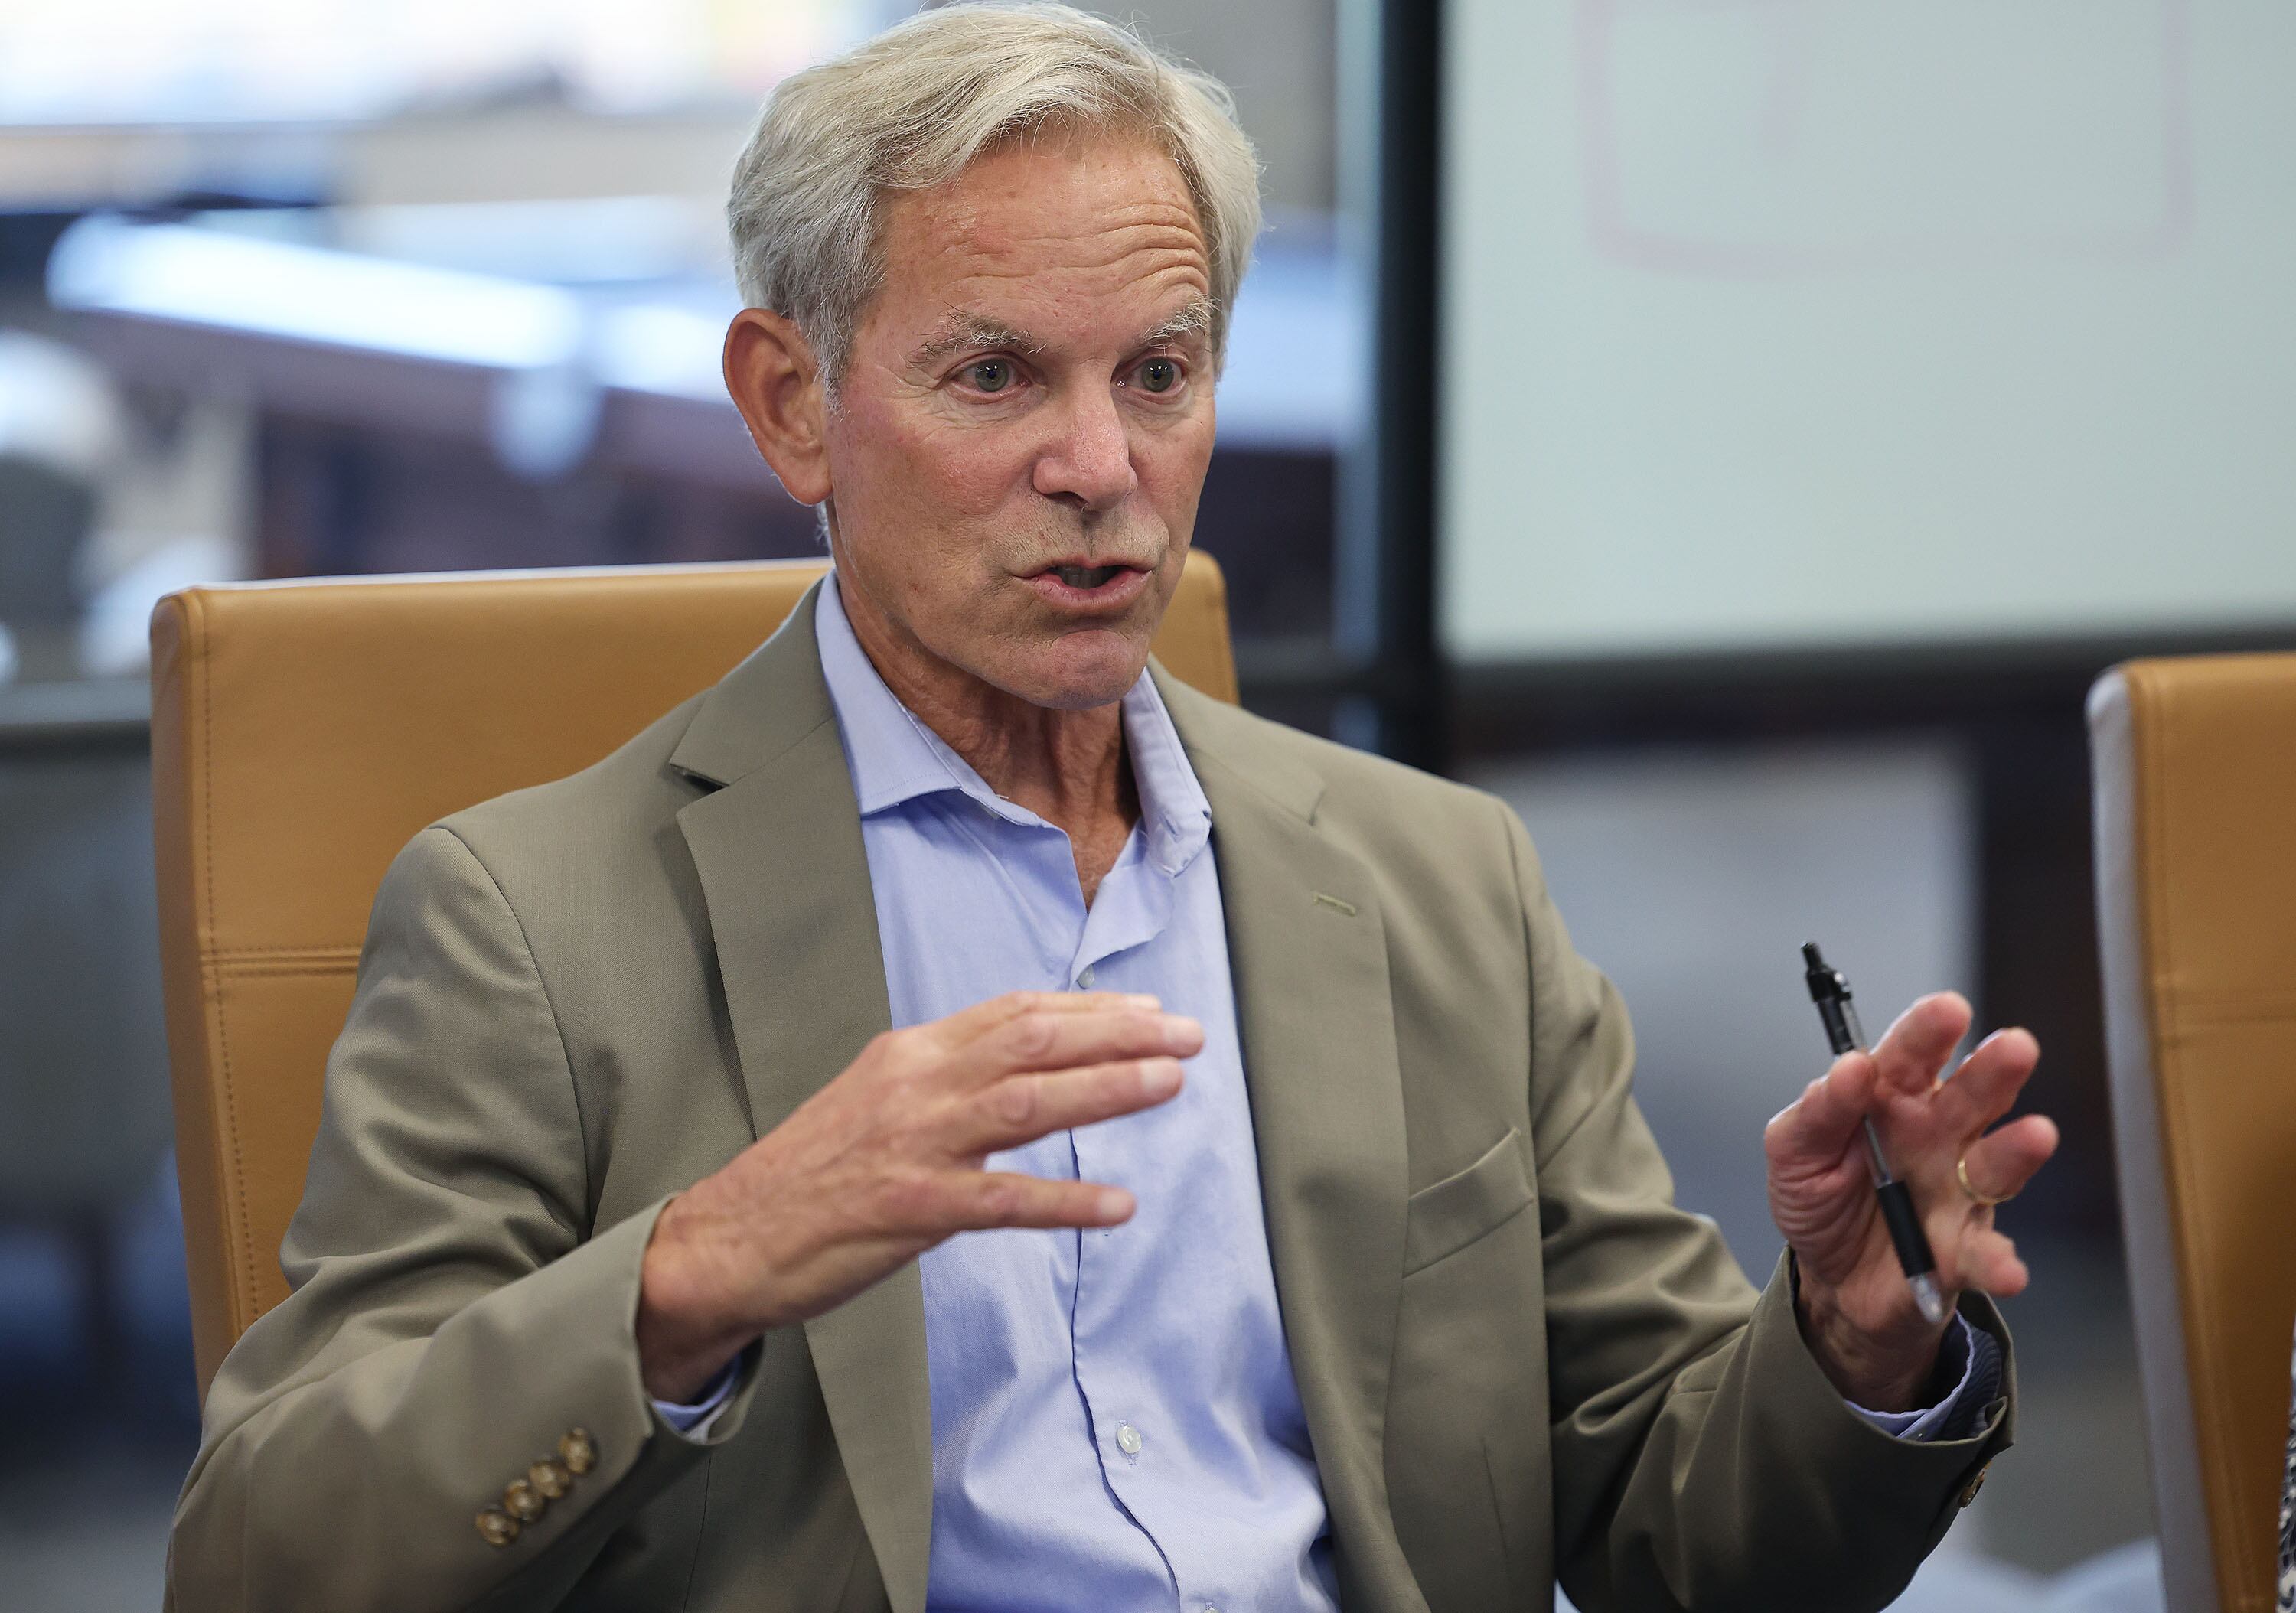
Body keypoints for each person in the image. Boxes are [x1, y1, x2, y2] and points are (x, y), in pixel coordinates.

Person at [165, 6, 2061, 1610]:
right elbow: (261, 1547)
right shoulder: (534, 917)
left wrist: (1852, 1336)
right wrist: (697, 1269)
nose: (1104, 469)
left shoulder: (1431, 881)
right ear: (791, 405)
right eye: (994, 376)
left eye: (1159, 374)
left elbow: (1681, 1531)